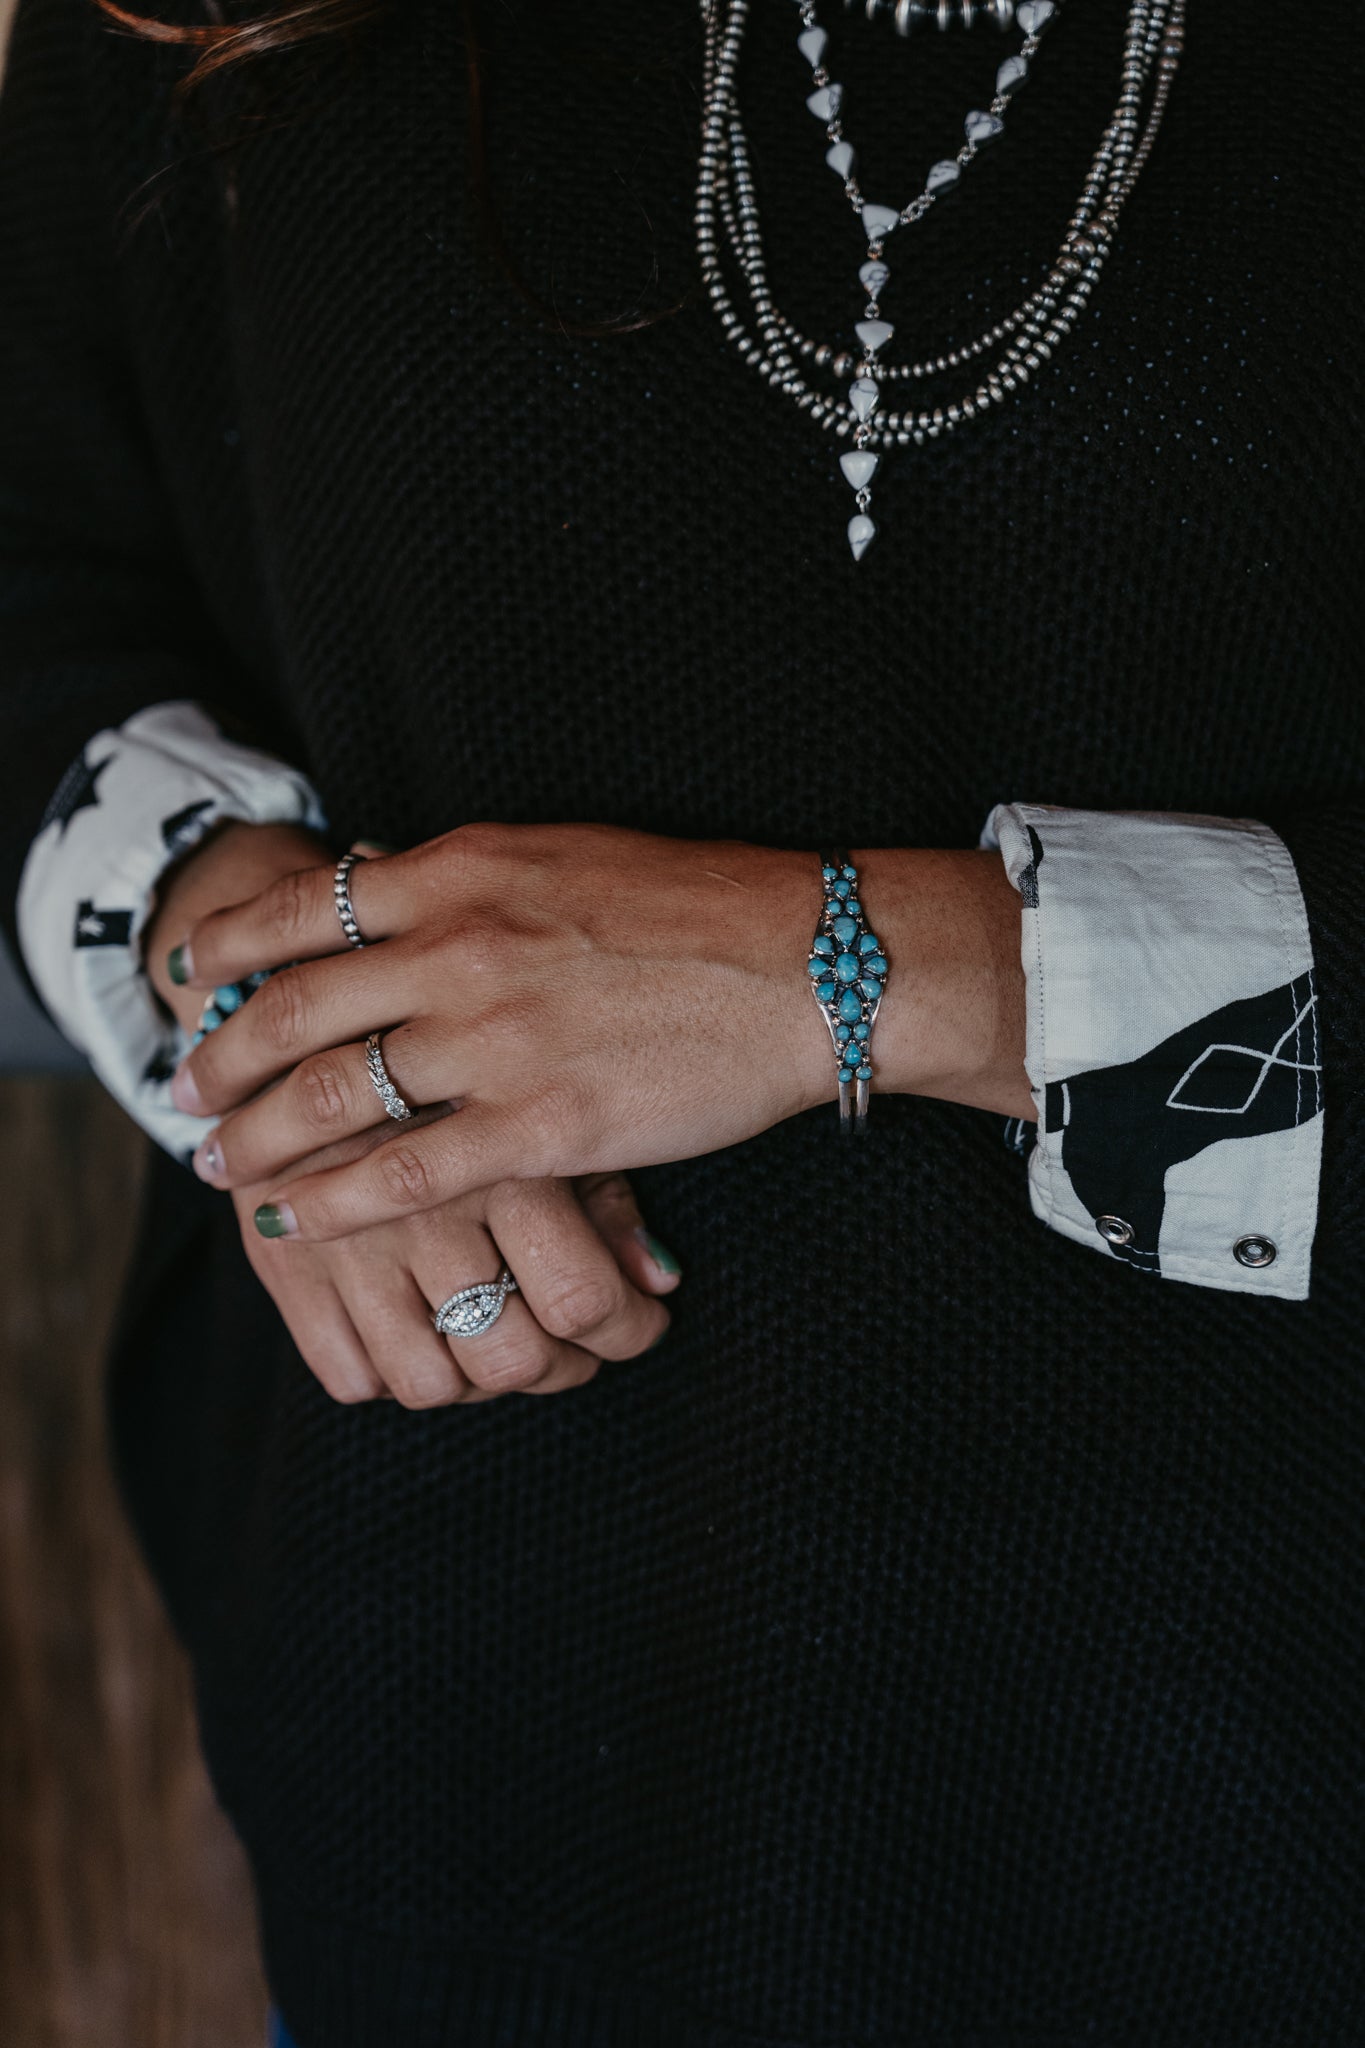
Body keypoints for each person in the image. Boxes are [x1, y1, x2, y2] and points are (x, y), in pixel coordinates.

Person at [1, 0, 1360, 2040]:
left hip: (1273, 1804)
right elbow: (38, 578)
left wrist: (876, 965)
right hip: (470, 1810)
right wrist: (262, 988)